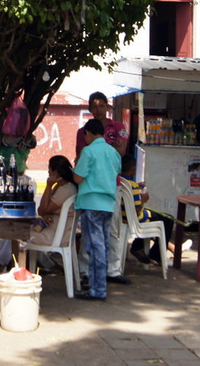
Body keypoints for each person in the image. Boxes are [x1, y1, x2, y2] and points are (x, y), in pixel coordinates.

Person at [0, 155, 78, 272]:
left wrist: (48, 186)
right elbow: (42, 211)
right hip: (51, 230)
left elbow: (42, 209)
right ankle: (0, 266)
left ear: (56, 172)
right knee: (14, 233)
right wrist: (46, 212)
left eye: (50, 169)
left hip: (54, 236)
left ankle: (9, 269)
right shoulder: (61, 187)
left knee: (16, 234)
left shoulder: (66, 189)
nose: (48, 171)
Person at [73, 118, 122, 300]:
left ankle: (97, 290)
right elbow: (116, 172)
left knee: (95, 249)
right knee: (104, 246)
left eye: (85, 134)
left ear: (89, 133)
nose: (84, 138)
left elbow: (78, 177)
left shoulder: (89, 151)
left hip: (91, 203)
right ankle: (100, 287)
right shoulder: (113, 152)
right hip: (108, 204)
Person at [117, 155, 190, 266]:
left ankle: (140, 247)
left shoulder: (121, 181)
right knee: (167, 220)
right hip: (136, 218)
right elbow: (137, 210)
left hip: (123, 216)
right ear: (133, 169)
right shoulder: (133, 186)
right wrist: (143, 200)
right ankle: (155, 255)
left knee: (160, 217)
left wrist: (137, 186)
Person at [75, 91, 128, 161]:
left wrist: (93, 152)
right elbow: (81, 157)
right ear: (90, 109)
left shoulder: (119, 127)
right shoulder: (83, 131)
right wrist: (112, 148)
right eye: (95, 107)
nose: (98, 110)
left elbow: (121, 152)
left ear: (107, 107)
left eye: (101, 106)